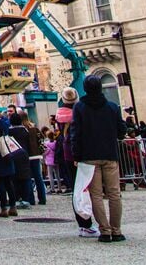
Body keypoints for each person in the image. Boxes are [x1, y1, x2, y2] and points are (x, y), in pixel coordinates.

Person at [71, 74, 128, 243]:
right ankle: (117, 230)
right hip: (110, 154)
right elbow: (121, 130)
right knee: (114, 194)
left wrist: (76, 155)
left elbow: (76, 134)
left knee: (96, 195)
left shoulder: (80, 107)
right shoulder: (112, 107)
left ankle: (104, 230)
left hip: (89, 157)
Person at [56, 87, 98, 238]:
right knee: (86, 189)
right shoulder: (79, 112)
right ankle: (87, 223)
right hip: (79, 154)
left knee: (76, 189)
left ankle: (83, 224)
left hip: (68, 154)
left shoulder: (60, 115)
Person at [7, 113, 33, 209]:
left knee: (14, 178)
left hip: (13, 155)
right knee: (26, 177)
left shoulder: (9, 132)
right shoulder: (25, 131)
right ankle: (26, 199)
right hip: (24, 155)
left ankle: (17, 198)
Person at [18, 114, 46, 205]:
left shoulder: (22, 130)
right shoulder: (34, 128)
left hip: (27, 156)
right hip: (36, 155)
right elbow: (41, 138)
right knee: (38, 177)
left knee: (28, 177)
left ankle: (31, 199)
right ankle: (42, 198)